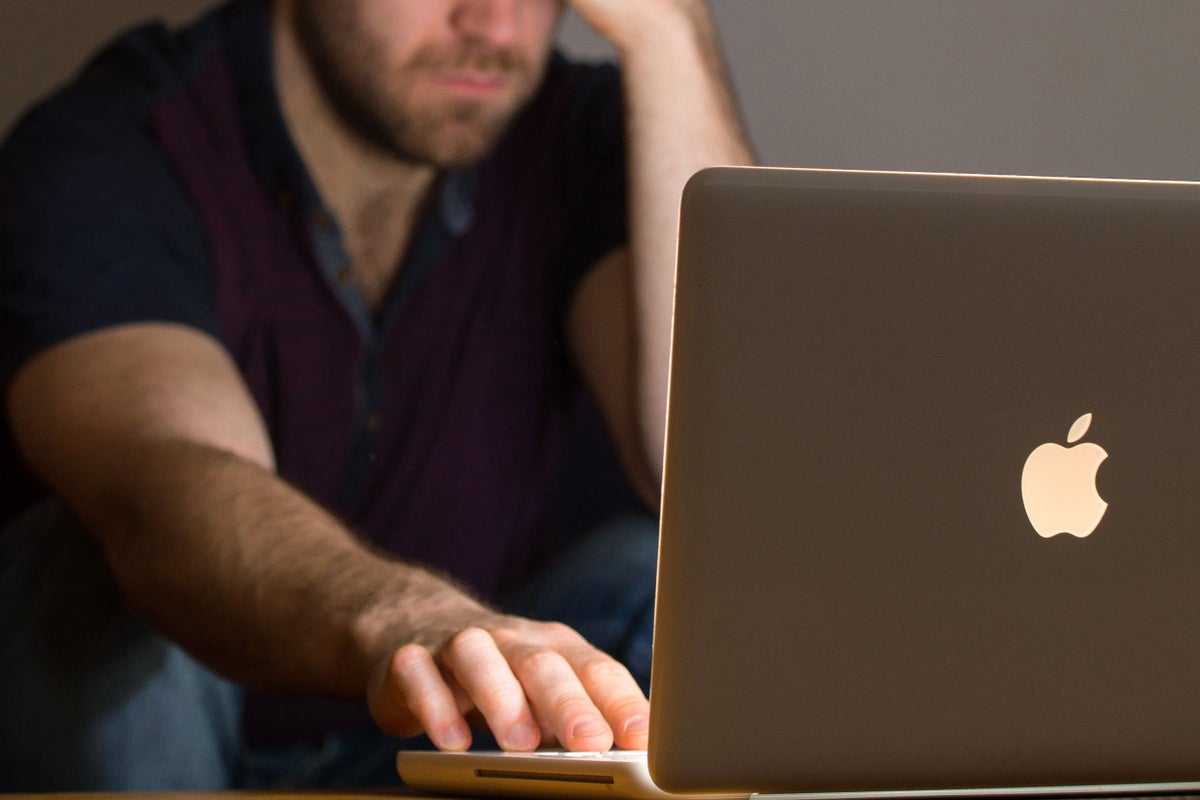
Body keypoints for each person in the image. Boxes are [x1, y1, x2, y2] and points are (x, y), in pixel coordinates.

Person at [0, 0, 752, 791]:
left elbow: (728, 494)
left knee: (671, 582)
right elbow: (167, 483)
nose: (494, 27)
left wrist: (668, 34)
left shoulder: (575, 138)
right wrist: (413, 621)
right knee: (100, 583)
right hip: (155, 735)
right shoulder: (112, 150)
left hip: (432, 740)